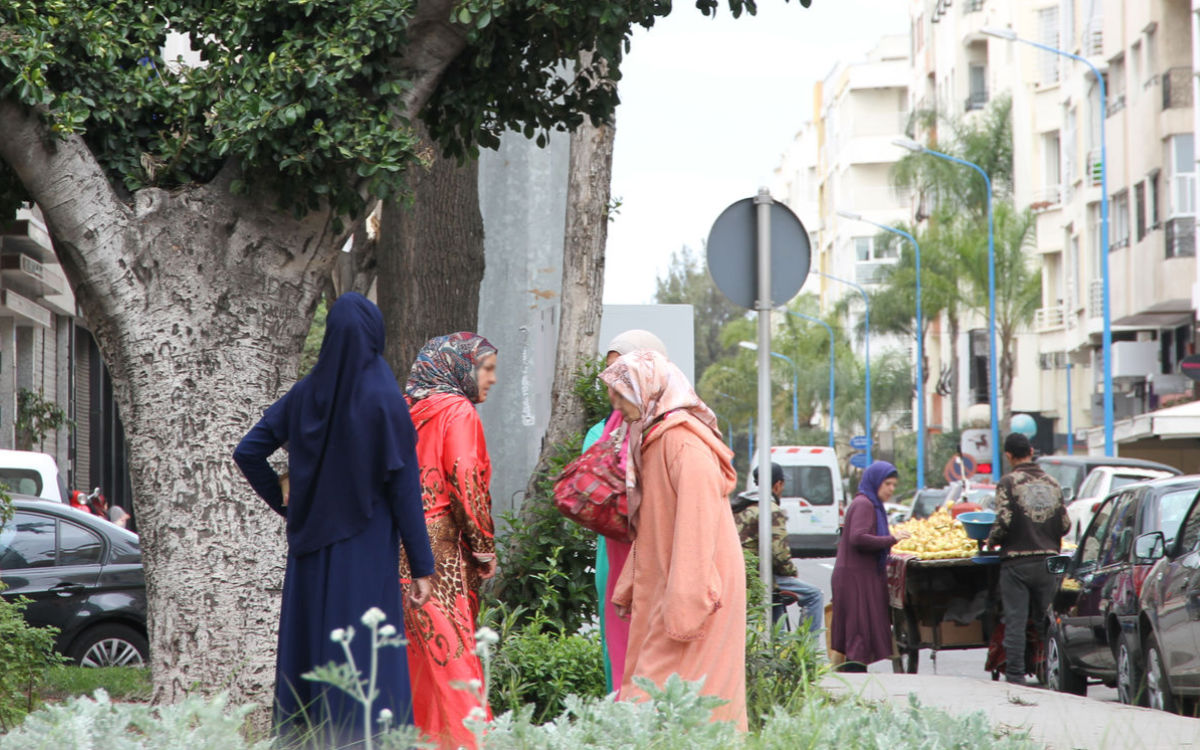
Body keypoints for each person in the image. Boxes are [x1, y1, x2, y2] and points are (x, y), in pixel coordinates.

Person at [232, 292, 435, 745]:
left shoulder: (309, 390)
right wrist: (421, 565)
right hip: (365, 552)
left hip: (309, 552)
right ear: (373, 334)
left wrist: (285, 501)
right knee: (364, 658)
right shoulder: (386, 398)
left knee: (312, 651)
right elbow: (404, 490)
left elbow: (248, 451)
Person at [601, 350, 747, 730]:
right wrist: (632, 584)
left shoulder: (683, 442)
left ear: (649, 390)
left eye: (622, 393)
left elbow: (698, 528)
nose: (616, 404)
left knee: (676, 691)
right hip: (671, 581)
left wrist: (686, 604)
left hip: (698, 590)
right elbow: (652, 526)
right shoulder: (654, 438)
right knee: (655, 689)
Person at [401, 332, 499, 750]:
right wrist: (483, 545)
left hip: (399, 543)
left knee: (416, 655)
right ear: (461, 367)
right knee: (454, 654)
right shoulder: (456, 409)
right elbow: (464, 476)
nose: (493, 379)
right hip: (440, 548)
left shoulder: (410, 409)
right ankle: (468, 740)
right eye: (488, 368)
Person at [583, 328, 669, 695]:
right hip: (614, 551)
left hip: (655, 550)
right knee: (616, 641)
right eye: (610, 373)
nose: (615, 383)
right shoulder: (601, 431)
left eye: (624, 371)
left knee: (656, 642)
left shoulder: (670, 426)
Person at [984, 432, 1069, 686]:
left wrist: (990, 541)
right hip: (1049, 564)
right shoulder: (1053, 483)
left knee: (1016, 621)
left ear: (1009, 456)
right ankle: (1051, 672)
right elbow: (1065, 524)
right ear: (1031, 451)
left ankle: (1016, 677)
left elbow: (1004, 521)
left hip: (1017, 564)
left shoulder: (1008, 482)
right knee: (1048, 621)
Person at [830, 461, 910, 671]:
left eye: (894, 485)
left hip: (860, 575)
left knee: (861, 631)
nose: (892, 489)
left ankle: (855, 676)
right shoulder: (864, 504)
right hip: (854, 578)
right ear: (876, 483)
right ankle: (855, 683)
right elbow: (858, 537)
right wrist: (891, 539)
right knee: (858, 631)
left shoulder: (871, 504)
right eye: (888, 484)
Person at [734, 463, 824, 632]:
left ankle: (779, 644)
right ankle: (803, 651)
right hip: (757, 578)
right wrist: (791, 572)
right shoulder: (770, 509)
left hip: (738, 575)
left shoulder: (741, 506)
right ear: (778, 485)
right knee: (814, 595)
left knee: (776, 600)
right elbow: (779, 555)